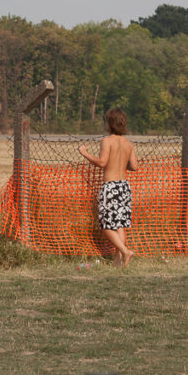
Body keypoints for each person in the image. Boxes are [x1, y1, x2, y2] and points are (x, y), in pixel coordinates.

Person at [78, 108, 139, 267]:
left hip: (111, 187)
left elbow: (102, 162)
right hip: (124, 187)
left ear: (110, 123)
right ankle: (119, 263)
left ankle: (126, 252)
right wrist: (120, 159)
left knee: (106, 226)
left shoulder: (107, 141)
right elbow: (134, 166)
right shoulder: (128, 143)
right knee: (119, 225)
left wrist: (85, 153)